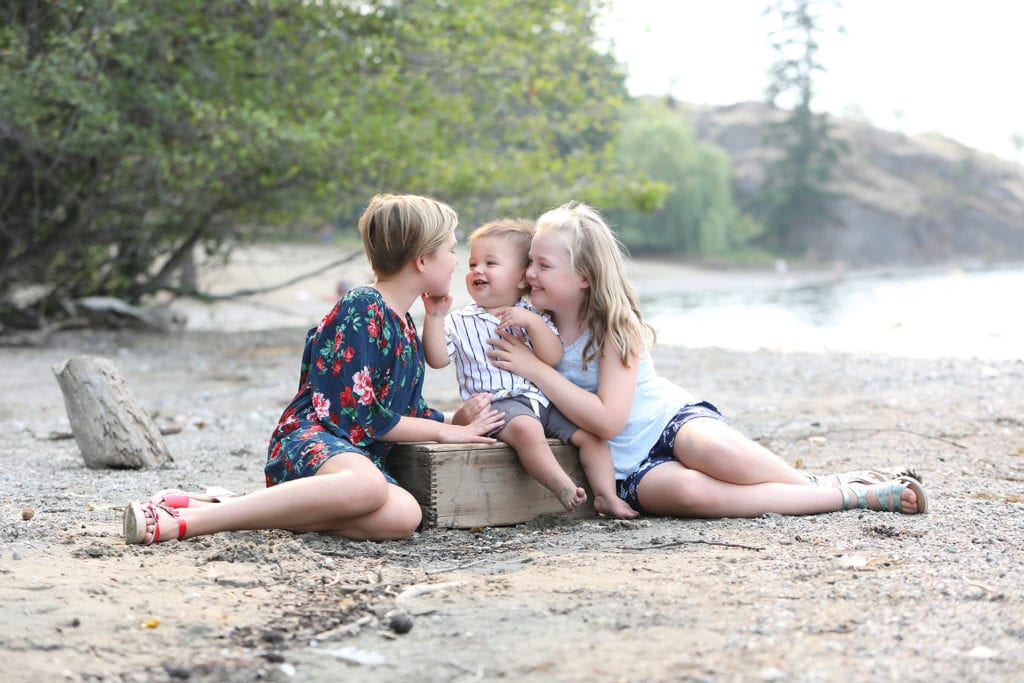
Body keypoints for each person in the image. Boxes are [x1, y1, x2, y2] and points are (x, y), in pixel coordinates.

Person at [486, 201, 929, 518]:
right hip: (622, 466)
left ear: (583, 276)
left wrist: (536, 369)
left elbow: (608, 421)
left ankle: (832, 487)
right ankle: (847, 495)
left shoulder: (615, 326)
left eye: (542, 266)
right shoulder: (530, 323)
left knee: (715, 451)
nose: (528, 275)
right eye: (529, 264)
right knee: (694, 495)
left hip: (667, 422)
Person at [123, 194, 506, 545]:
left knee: (404, 515)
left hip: (356, 461)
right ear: (422, 260)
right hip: (313, 443)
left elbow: (401, 410)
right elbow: (364, 416)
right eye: (452, 250)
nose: (458, 261)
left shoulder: (403, 322)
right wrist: (443, 431)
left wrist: (457, 420)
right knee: (369, 487)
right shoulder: (362, 306)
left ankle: (222, 506)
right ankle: (185, 522)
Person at [421, 219, 637, 518]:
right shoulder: (459, 321)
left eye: (490, 263)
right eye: (472, 264)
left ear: (522, 278)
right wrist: (433, 317)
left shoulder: (534, 314)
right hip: (499, 404)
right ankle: (561, 485)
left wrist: (534, 324)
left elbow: (553, 356)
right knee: (526, 429)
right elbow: (438, 358)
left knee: (590, 437)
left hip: (540, 400)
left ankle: (605, 496)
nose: (477, 270)